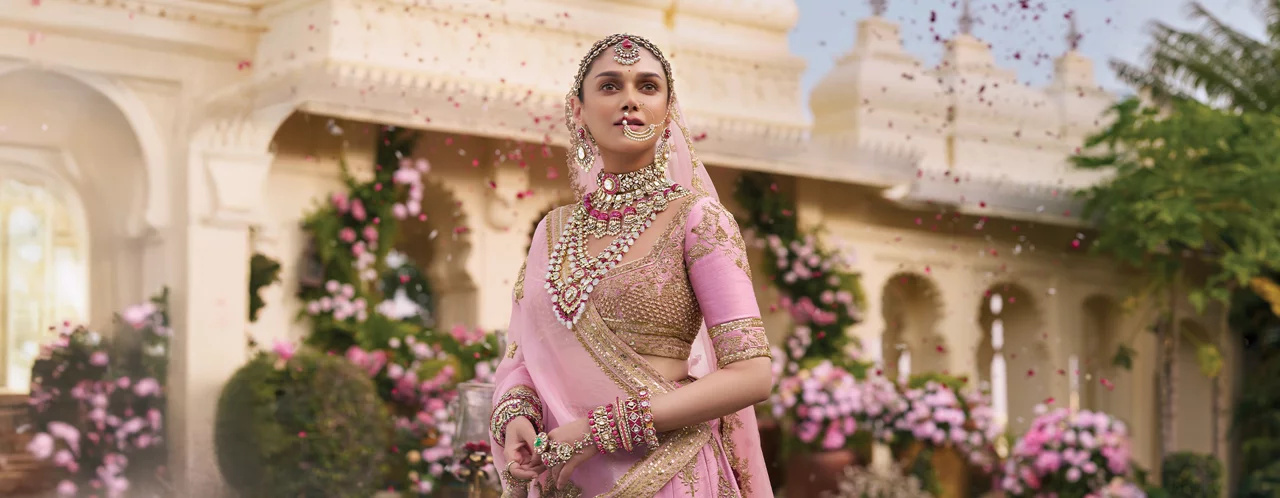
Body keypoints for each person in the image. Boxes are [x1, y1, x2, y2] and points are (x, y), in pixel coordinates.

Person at [488, 33, 775, 498]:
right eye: (609, 86)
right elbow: (522, 357)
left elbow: (752, 374)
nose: (630, 101)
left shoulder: (697, 220)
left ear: (667, 110)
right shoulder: (552, 231)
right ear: (577, 112)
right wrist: (516, 412)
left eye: (647, 86)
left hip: (668, 472)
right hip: (566, 476)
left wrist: (597, 432)